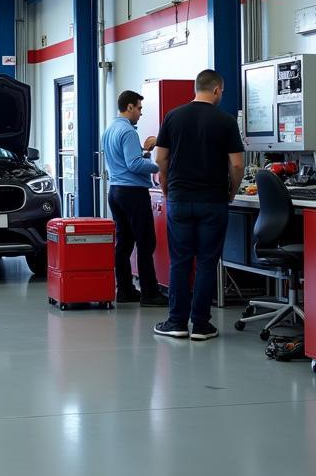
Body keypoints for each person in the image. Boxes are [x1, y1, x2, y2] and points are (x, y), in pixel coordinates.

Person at [153, 69, 244, 340]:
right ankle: (202, 325)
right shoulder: (226, 121)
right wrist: (232, 190)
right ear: (217, 90)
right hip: (213, 201)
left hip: (180, 200)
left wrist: (168, 187)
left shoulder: (173, 116)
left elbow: (160, 159)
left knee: (180, 261)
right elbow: (237, 164)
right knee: (207, 262)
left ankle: (177, 323)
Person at [101, 90, 169, 307]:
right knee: (146, 242)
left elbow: (125, 160)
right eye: (139, 108)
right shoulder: (129, 132)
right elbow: (134, 164)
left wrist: (144, 155)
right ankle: (149, 293)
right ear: (129, 107)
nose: (140, 113)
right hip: (133, 193)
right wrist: (159, 164)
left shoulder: (110, 129)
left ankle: (125, 290)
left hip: (115, 191)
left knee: (124, 242)